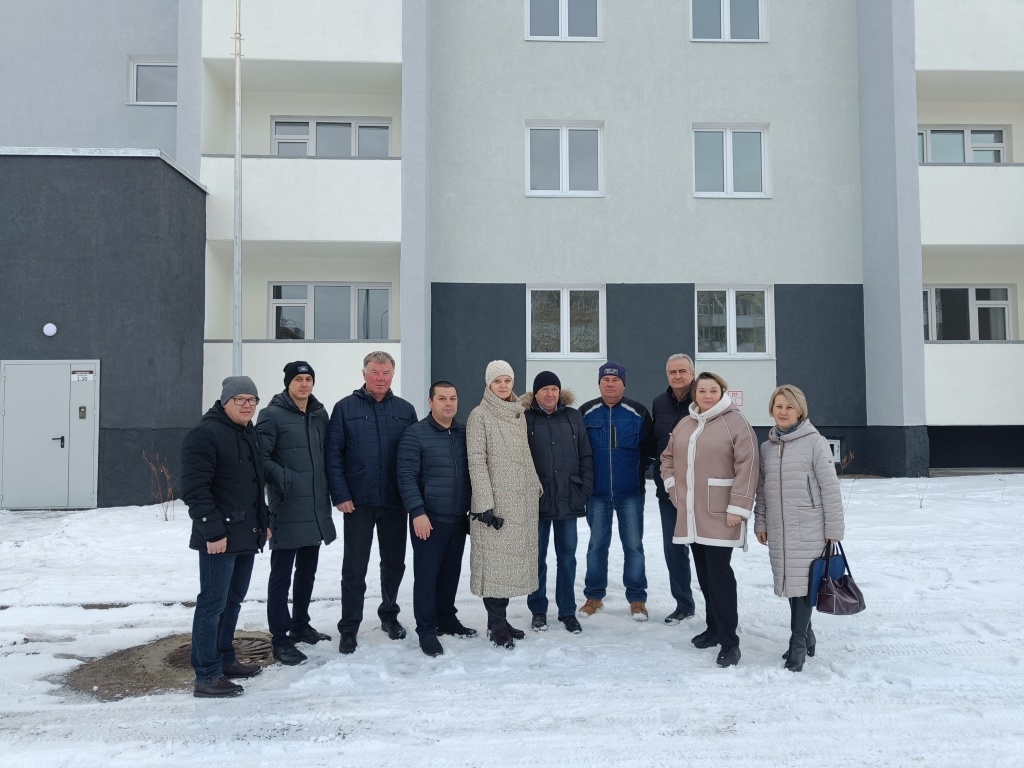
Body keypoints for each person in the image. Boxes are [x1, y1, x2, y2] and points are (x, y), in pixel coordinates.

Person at [660, 372, 758, 668]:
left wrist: (738, 506)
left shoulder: (735, 422)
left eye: (713, 390)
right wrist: (672, 487)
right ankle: (714, 628)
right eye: (702, 390)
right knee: (704, 574)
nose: (707, 395)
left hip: (721, 514)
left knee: (719, 576)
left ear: (722, 392)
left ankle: (730, 641)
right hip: (692, 514)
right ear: (695, 394)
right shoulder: (686, 423)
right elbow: (667, 458)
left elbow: (749, 465)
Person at [180, 376, 268, 698]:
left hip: (245, 533)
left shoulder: (247, 432)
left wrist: (264, 521)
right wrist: (213, 532)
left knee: (232, 600)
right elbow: (195, 490)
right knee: (212, 604)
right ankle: (206, 675)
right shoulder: (206, 435)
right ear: (225, 402)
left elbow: (253, 485)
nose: (247, 405)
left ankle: (224, 658)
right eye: (240, 399)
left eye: (252, 400)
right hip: (219, 538)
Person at [326, 351, 417, 654]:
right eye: (375, 372)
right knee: (354, 567)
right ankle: (349, 627)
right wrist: (341, 494)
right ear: (364, 374)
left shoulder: (405, 410)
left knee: (394, 564)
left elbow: (415, 455)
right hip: (358, 502)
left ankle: (389, 615)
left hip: (394, 501)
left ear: (393, 375)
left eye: (386, 372)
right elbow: (333, 455)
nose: (381, 378)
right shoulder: (345, 408)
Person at [754, 385, 845, 672]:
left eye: (789, 407)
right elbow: (761, 490)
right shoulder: (767, 447)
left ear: (800, 411)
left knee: (805, 586)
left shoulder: (815, 442)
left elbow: (830, 488)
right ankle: (808, 636)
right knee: (791, 585)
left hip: (809, 526)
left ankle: (797, 645)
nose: (783, 412)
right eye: (778, 406)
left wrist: (834, 529)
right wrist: (761, 522)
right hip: (779, 528)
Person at [256, 361, 337, 667]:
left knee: (307, 571)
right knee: (281, 576)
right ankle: (280, 639)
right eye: (298, 379)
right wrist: (286, 480)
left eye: (308, 379)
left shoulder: (319, 414)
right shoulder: (271, 415)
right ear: (288, 383)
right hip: (287, 506)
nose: (304, 384)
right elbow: (260, 458)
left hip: (315, 506)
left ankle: (300, 625)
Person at [397, 381, 478, 657]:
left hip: (458, 518)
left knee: (450, 573)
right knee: (427, 576)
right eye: (442, 398)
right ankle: (427, 629)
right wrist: (417, 512)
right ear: (430, 402)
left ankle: (446, 618)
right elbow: (406, 477)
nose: (448, 403)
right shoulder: (415, 434)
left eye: (452, 398)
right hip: (429, 519)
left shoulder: (464, 433)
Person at [466, 360, 543, 649]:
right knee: (495, 565)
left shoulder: (517, 414)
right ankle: (496, 624)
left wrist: (535, 483)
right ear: (488, 384)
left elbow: (525, 454)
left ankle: (499, 620)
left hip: (519, 501)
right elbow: (476, 460)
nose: (503, 386)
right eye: (497, 381)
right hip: (495, 505)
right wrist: (484, 503)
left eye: (507, 381)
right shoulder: (479, 415)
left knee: (510, 566)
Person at [578, 362, 656, 621]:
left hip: (631, 493)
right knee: (596, 547)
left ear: (624, 384)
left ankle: (637, 599)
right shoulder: (586, 412)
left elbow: (650, 450)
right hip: (597, 494)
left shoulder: (638, 412)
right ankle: (594, 596)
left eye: (615, 380)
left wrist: (636, 472)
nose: (610, 384)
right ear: (599, 384)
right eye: (606, 380)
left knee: (633, 546)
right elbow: (578, 451)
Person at [520, 371, 594, 634]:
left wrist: (584, 488)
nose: (550, 393)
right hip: (536, 500)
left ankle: (567, 611)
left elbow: (586, 454)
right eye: (544, 389)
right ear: (535, 393)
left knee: (567, 558)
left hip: (568, 497)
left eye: (554, 389)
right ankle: (538, 610)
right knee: (536, 559)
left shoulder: (573, 416)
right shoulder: (525, 418)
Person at [651, 354, 697, 625]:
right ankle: (683, 604)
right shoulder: (659, 403)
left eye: (682, 371)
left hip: (700, 492)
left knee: (705, 553)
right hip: (668, 491)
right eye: (672, 372)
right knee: (674, 549)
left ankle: (717, 608)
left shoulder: (703, 399)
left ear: (692, 373)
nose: (677, 376)